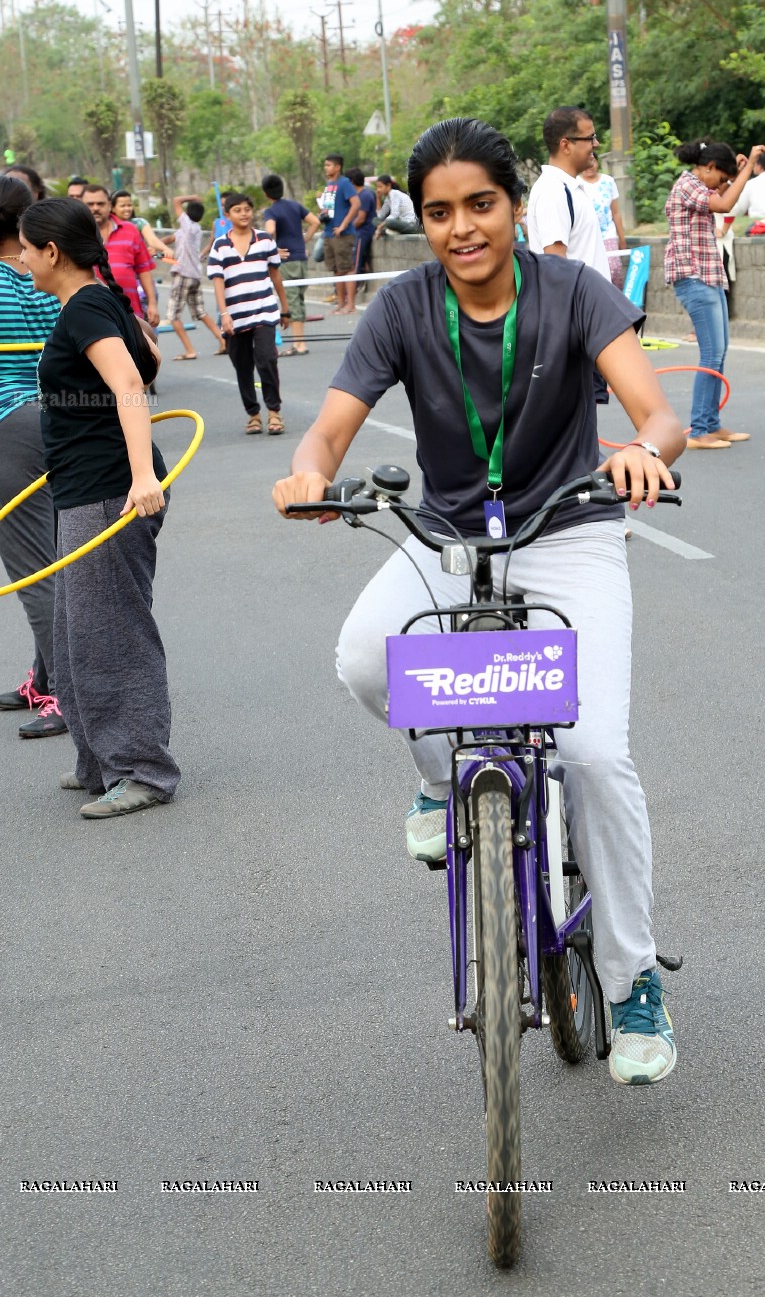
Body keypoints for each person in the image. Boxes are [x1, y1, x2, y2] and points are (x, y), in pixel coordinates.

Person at [273, 116, 688, 1086]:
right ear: (421, 220)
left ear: (511, 203)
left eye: (480, 205)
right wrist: (303, 473)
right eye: (439, 212)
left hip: (571, 532)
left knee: (591, 756)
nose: (462, 228)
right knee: (366, 660)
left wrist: (641, 452)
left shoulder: (573, 293)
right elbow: (327, 434)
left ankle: (631, 983)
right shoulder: (403, 307)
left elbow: (658, 413)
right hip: (451, 539)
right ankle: (435, 776)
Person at [19, 198, 180, 816]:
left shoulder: (86, 305)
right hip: (86, 484)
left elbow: (133, 384)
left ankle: (141, 769)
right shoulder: (103, 299)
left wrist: (142, 475)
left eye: (29, 251)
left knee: (110, 628)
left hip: (111, 488)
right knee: (74, 627)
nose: (24, 260)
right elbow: (151, 359)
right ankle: (97, 760)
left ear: (53, 253)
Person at [0, 175, 68, 740]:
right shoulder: (37, 281)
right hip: (51, 418)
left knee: (34, 569)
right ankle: (45, 678)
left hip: (7, 425)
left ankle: (70, 694)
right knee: (54, 556)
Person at [665, 139, 765, 448]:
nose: (722, 185)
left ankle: (711, 423)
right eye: (720, 179)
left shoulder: (701, 186)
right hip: (693, 277)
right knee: (710, 354)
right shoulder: (687, 185)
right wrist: (748, 167)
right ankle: (698, 430)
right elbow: (723, 204)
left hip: (709, 276)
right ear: (707, 168)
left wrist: (735, 176)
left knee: (718, 353)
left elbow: (722, 196)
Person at [207, 191, 290, 435]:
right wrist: (224, 314)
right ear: (228, 214)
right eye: (237, 210)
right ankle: (253, 414)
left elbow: (276, 276)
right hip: (234, 315)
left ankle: (274, 411)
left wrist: (285, 309)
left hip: (263, 310)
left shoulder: (265, 240)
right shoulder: (220, 245)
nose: (243, 214)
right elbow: (218, 282)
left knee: (267, 359)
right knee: (242, 365)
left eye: (247, 209)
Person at [526, 108, 611, 280]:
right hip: (579, 307)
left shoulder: (568, 187)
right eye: (590, 138)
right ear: (565, 145)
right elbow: (556, 267)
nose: (596, 144)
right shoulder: (553, 191)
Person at [81, 184, 160, 326]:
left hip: (131, 314)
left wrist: (152, 304)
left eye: (100, 204)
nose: (95, 208)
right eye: (90, 204)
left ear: (109, 205)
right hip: (92, 316)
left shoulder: (131, 230)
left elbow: (144, 270)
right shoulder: (76, 235)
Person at [160, 195, 224, 359]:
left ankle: (190, 350)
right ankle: (223, 341)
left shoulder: (187, 226)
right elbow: (171, 238)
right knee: (201, 312)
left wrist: (193, 197)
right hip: (195, 275)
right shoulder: (194, 229)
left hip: (183, 275)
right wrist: (154, 245)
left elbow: (175, 200)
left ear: (186, 215)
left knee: (173, 316)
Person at [261, 173, 319, 354]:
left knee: (292, 300)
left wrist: (272, 249)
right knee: (299, 299)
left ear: (266, 194)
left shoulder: (271, 211)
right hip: (301, 258)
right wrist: (304, 241)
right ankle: (300, 342)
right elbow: (315, 221)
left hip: (286, 260)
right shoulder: (294, 205)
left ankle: (298, 344)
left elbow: (270, 230)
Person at [317, 155, 361, 315]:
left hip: (343, 234)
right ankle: (341, 303)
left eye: (328, 165)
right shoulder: (329, 185)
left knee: (347, 268)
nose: (326, 168)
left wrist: (343, 225)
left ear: (337, 167)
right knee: (336, 270)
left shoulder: (345, 183)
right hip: (329, 232)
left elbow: (356, 204)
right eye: (325, 165)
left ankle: (351, 304)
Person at [580, 155, 627, 289]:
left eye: (592, 162)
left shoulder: (608, 181)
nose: (589, 167)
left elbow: (616, 212)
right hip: (587, 236)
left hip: (608, 234)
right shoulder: (576, 183)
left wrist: (622, 238)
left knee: (614, 269)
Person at [111, 188, 169, 264]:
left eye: (129, 205)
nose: (127, 209)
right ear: (112, 208)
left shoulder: (139, 223)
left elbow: (152, 239)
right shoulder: (107, 225)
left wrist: (165, 249)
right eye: (122, 206)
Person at [349, 168, 378, 306]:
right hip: (358, 232)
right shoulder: (358, 195)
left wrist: (347, 228)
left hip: (363, 232)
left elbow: (361, 218)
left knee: (355, 264)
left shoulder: (365, 195)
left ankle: (351, 298)